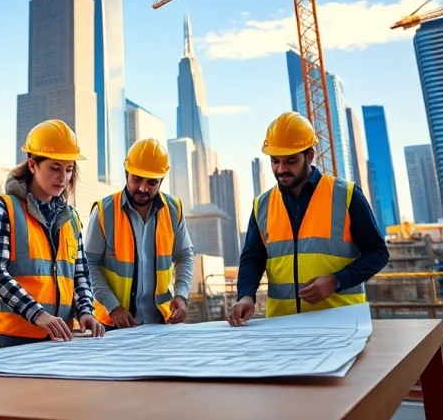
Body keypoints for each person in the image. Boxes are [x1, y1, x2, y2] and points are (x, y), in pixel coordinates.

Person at [229, 111, 389, 325]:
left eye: (291, 161)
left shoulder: (346, 195)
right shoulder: (262, 205)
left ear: (310, 156)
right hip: (282, 324)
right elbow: (252, 258)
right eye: (275, 161)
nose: (281, 169)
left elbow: (378, 253)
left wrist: (335, 281)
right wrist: (246, 295)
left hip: (342, 322)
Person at [0, 119, 105, 347]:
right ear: (32, 165)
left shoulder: (71, 218)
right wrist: (36, 313)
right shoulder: (4, 208)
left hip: (59, 340)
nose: (63, 178)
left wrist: (85, 311)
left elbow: (79, 274)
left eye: (69, 170)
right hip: (12, 338)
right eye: (55, 168)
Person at [84, 138, 195, 328]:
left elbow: (184, 256)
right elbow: (88, 264)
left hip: (160, 322)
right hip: (112, 323)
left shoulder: (173, 209)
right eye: (137, 179)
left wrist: (181, 295)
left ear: (161, 181)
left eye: (152, 182)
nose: (143, 188)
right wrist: (113, 306)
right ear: (127, 173)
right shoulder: (104, 211)